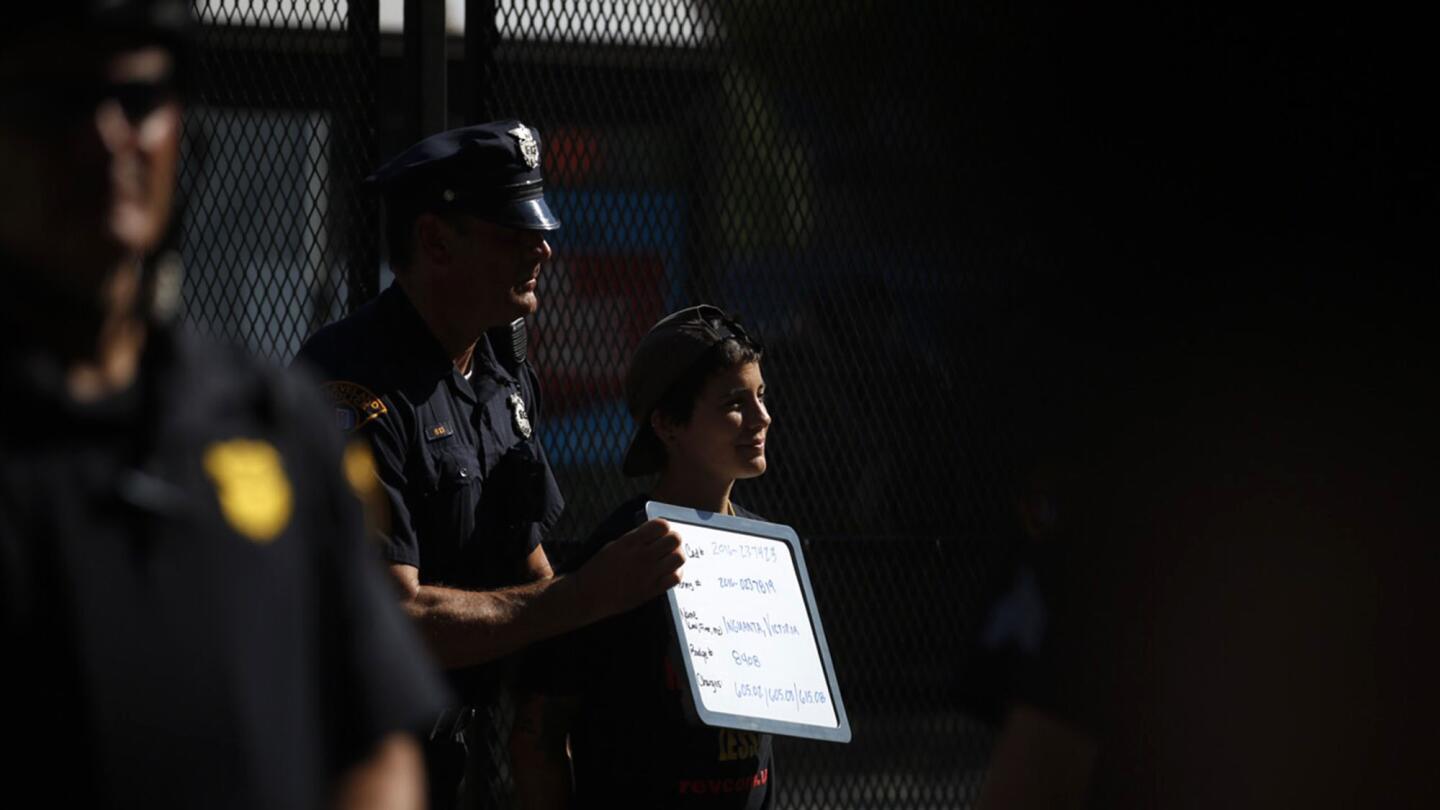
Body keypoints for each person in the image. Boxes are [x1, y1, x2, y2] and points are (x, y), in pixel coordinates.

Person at [0, 3, 447, 808]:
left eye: (138, 101)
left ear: (182, 137)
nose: (108, 137)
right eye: (57, 101)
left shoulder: (279, 419)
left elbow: (376, 741)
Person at [294, 121, 686, 809]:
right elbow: (395, 620)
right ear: (437, 241)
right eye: (512, 231)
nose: (542, 247)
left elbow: (526, 561)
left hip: (456, 757)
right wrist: (585, 595)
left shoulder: (501, 368)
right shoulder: (351, 385)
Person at [511, 304, 776, 809]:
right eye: (734, 403)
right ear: (668, 424)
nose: (762, 418)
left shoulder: (769, 550)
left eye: (761, 395)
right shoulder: (623, 555)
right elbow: (534, 738)